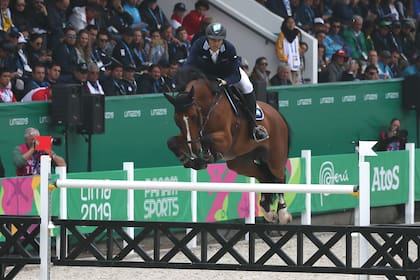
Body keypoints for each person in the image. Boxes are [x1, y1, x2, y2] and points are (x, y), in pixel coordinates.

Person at [185, 22, 269, 142]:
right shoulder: (198, 45)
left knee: (247, 86)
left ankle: (253, 127)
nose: (215, 43)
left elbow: (235, 74)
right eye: (212, 40)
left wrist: (225, 82)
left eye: (219, 40)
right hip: (207, 74)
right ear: (207, 38)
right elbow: (189, 64)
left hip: (228, 74)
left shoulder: (229, 48)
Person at [275, 16, 301, 85]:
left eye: (292, 22)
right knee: (288, 82)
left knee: (296, 82)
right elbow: (279, 48)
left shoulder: (296, 34)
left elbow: (297, 48)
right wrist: (286, 59)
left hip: (295, 62)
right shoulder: (282, 34)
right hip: (286, 63)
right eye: (289, 22)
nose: (291, 24)